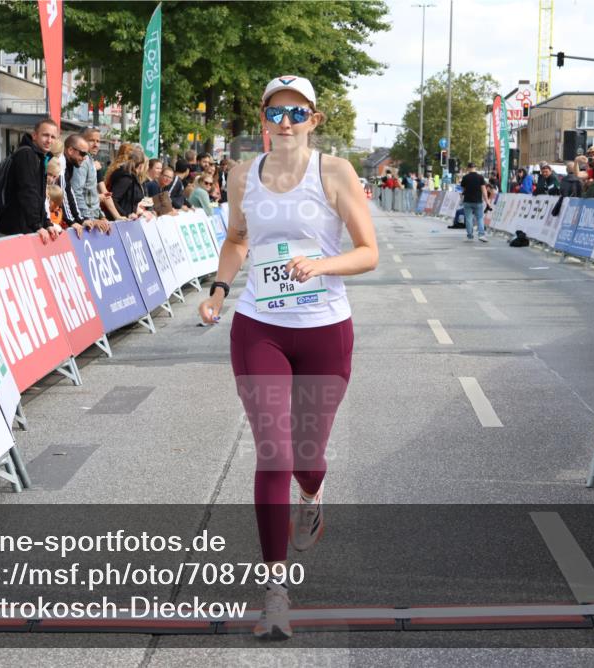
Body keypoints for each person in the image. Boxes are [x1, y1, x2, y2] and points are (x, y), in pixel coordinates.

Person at [197, 75, 378, 640]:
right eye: (275, 113)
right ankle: (275, 590)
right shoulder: (242, 174)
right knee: (273, 453)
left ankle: (314, 492)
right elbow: (237, 239)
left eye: (296, 113)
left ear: (314, 120)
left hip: (325, 329)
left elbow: (369, 252)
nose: (285, 123)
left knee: (307, 457)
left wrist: (320, 266)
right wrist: (220, 290)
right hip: (260, 327)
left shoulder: (335, 172)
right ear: (262, 120)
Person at [0, 118, 60, 243]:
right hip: (14, 231)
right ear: (34, 136)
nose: (49, 140)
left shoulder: (38, 156)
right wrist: (37, 225)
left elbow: (39, 197)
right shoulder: (27, 155)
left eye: (53, 137)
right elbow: (28, 192)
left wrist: (46, 223)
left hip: (23, 228)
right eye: (45, 135)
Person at [68, 127, 114, 232]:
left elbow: (91, 194)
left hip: (92, 220)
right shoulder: (82, 161)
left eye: (98, 141)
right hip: (85, 223)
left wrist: (100, 215)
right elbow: (76, 193)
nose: (96, 144)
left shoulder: (89, 160)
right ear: (82, 141)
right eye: (92, 140)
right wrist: (87, 218)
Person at [61, 133, 94, 235]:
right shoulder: (61, 162)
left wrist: (80, 219)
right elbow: (63, 194)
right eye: (83, 154)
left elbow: (69, 192)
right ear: (70, 150)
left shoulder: (70, 165)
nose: (84, 158)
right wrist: (72, 221)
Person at [107, 145, 148, 218]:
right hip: (120, 221)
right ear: (141, 166)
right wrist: (126, 214)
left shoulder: (131, 177)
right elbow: (112, 199)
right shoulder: (126, 178)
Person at [459, 163, 489, 242]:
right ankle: (481, 235)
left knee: (469, 218)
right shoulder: (480, 177)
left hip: (467, 201)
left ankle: (470, 235)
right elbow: (484, 190)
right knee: (479, 218)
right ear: (475, 168)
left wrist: (461, 198)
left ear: (468, 168)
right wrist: (487, 201)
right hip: (478, 201)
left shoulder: (465, 177)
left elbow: (462, 190)